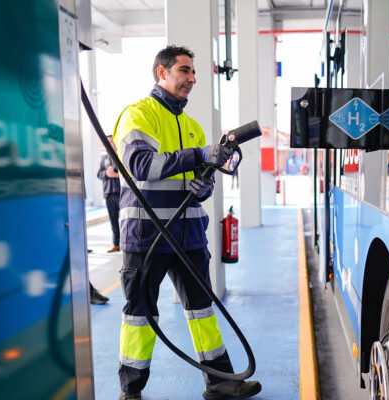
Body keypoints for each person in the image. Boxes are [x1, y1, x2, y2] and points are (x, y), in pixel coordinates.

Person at [112, 45, 261, 400]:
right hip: (147, 236)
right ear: (161, 73)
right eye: (184, 70)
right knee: (140, 314)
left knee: (202, 309)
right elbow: (142, 166)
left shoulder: (192, 126)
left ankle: (220, 380)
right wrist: (198, 156)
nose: (191, 79)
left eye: (193, 73)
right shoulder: (138, 115)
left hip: (189, 235)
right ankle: (130, 390)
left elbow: (200, 178)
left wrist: (204, 183)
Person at [97, 135, 121, 253]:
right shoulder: (104, 159)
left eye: (111, 142)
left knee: (126, 220)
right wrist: (106, 174)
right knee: (113, 220)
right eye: (108, 142)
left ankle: (127, 243)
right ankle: (116, 244)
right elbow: (99, 174)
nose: (110, 144)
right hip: (109, 194)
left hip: (122, 193)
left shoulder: (122, 156)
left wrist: (116, 175)